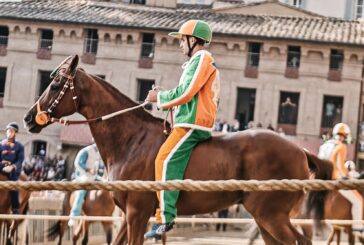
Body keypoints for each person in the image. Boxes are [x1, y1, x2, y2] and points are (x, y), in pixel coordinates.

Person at [144, 19, 220, 239]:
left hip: (192, 124)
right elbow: (186, 92)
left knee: (164, 160)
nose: (179, 44)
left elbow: (186, 92)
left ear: (193, 40)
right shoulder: (197, 61)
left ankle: (165, 219)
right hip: (189, 120)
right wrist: (165, 96)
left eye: (182, 39)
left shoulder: (202, 58)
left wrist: (159, 97)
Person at [318, 123, 363, 231]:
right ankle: (358, 227)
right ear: (345, 135)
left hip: (322, 178)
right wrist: (348, 177)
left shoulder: (325, 145)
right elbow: (339, 167)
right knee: (359, 201)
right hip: (335, 179)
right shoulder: (341, 146)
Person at [68, 143, 104, 227]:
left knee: (106, 183)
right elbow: (78, 163)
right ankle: (74, 215)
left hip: (93, 176)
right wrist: (88, 170)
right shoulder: (86, 151)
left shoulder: (99, 152)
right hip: (81, 175)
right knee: (82, 191)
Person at [0, 122, 24, 214]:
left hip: (12, 171)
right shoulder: (1, 145)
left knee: (14, 185)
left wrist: (12, 167)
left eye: (11, 131)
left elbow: (20, 160)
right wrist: (3, 166)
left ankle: (15, 208)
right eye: (8, 131)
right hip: (1, 168)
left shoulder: (19, 146)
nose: (9, 133)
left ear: (15, 133)